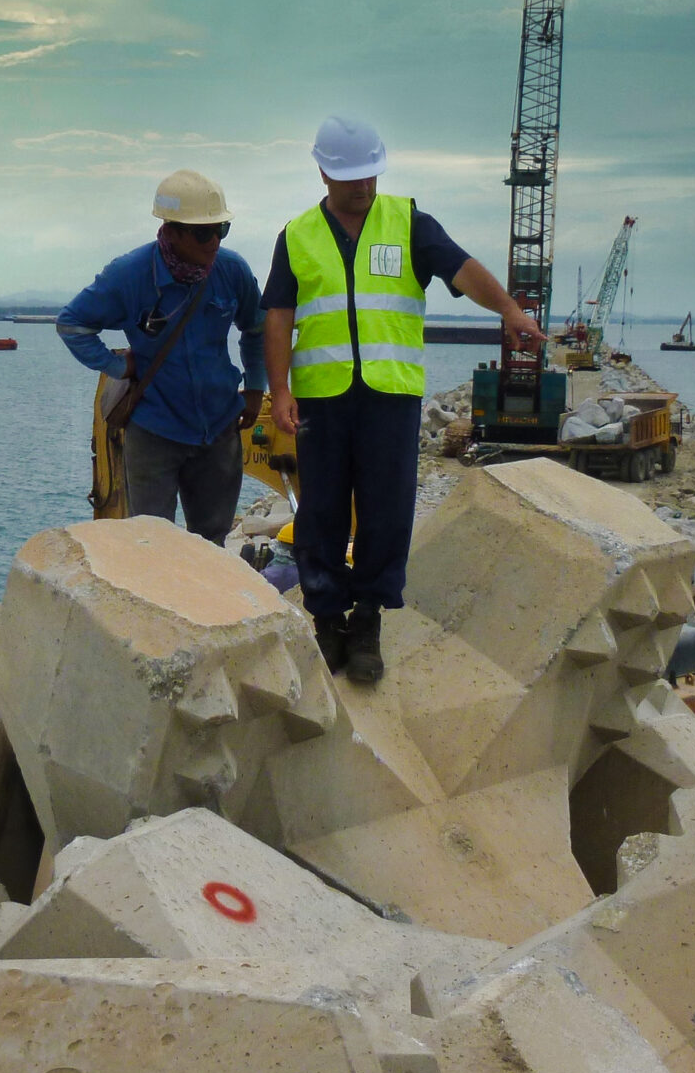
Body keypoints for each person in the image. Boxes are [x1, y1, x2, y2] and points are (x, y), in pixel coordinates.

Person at [262, 116, 544, 683]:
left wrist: (509, 309)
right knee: (321, 512)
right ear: (323, 172)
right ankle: (325, 617)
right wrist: (280, 389)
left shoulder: (410, 223)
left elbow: (462, 271)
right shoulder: (296, 235)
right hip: (321, 398)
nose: (363, 187)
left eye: (370, 175)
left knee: (387, 510)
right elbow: (279, 315)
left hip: (390, 396)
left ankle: (367, 619)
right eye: (350, 178)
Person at [58, 169, 266, 546]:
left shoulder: (231, 270)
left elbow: (257, 328)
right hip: (155, 430)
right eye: (204, 233)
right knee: (153, 546)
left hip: (218, 429)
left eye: (221, 230)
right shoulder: (128, 276)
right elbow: (72, 325)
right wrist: (118, 367)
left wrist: (255, 388)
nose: (214, 242)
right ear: (171, 232)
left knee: (213, 544)